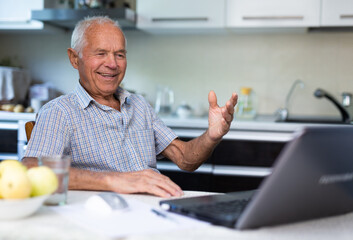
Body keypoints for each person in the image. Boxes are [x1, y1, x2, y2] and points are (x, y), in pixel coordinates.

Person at [22, 16, 238, 198]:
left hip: (151, 212)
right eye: (100, 53)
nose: (113, 64)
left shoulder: (139, 105)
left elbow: (185, 159)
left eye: (120, 54)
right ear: (74, 59)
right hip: (100, 220)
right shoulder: (60, 112)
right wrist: (115, 180)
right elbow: (32, 170)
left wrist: (212, 135)